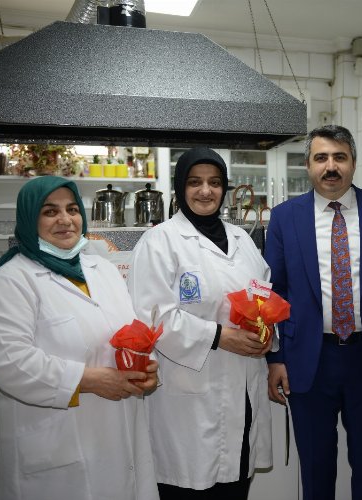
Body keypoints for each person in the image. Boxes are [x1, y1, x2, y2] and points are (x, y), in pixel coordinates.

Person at [0, 176, 159, 500]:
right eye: (49, 211)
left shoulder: (103, 270)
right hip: (56, 447)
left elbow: (129, 331)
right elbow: (10, 364)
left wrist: (146, 367)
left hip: (118, 438)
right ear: (29, 219)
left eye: (72, 209)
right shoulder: (9, 281)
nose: (65, 219)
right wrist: (90, 380)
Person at [264, 124, 362, 500]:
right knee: (316, 469)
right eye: (321, 158)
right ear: (308, 166)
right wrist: (276, 358)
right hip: (308, 360)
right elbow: (274, 292)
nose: (331, 167)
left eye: (339, 157)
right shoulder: (284, 217)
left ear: (353, 163)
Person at [128, 148, 273, 499]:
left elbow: (264, 294)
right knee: (188, 486)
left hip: (243, 394)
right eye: (195, 182)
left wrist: (267, 331)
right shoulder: (159, 241)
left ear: (224, 189)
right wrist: (220, 336)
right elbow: (153, 318)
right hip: (188, 399)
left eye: (214, 182)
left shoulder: (242, 240)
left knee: (235, 485)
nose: (205, 191)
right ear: (180, 188)